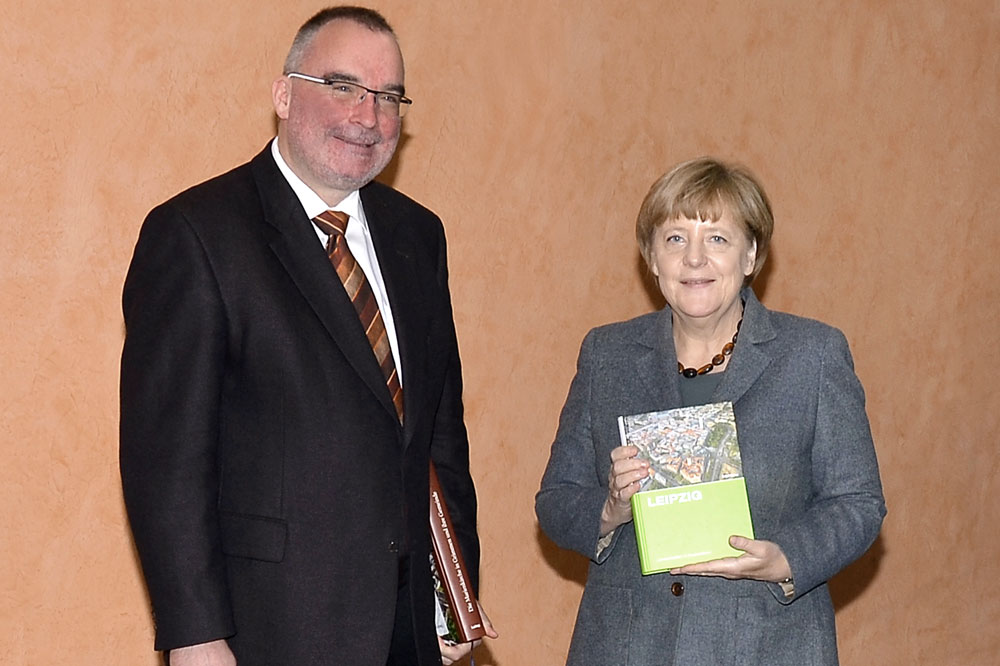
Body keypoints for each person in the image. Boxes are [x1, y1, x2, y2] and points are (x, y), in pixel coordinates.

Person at [120, 6, 495, 666]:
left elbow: (438, 434)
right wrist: (192, 633)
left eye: (387, 97)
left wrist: (451, 592)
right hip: (266, 629)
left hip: (408, 629)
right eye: (343, 86)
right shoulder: (198, 234)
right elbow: (167, 464)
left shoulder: (418, 235)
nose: (367, 116)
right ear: (284, 93)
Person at [535, 157, 885, 665]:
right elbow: (555, 500)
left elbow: (858, 502)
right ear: (651, 258)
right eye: (675, 238)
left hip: (768, 644)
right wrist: (608, 510)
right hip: (627, 647)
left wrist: (786, 558)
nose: (694, 259)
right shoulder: (606, 354)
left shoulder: (813, 355)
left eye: (717, 239)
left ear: (751, 256)